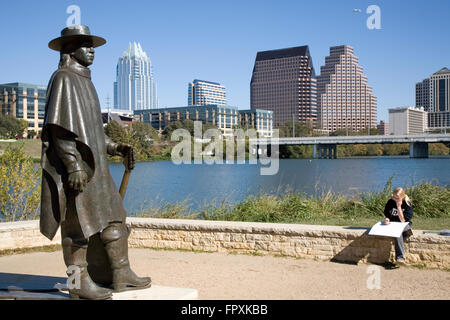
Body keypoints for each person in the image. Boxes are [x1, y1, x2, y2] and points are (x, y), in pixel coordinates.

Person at [40, 25, 151, 299]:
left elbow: (93, 133)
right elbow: (59, 130)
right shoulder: (63, 78)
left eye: (92, 46)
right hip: (78, 171)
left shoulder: (86, 82)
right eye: (85, 45)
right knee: (76, 228)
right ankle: (78, 285)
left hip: (98, 171)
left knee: (115, 220)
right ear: (70, 49)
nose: (91, 51)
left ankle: (121, 273)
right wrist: (72, 164)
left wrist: (116, 147)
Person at [383, 187, 414, 265]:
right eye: (394, 197)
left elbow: (403, 220)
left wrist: (399, 207)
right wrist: (387, 219)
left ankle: (400, 258)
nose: (396, 199)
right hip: (393, 224)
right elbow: (387, 214)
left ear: (402, 196)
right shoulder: (390, 202)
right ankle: (406, 234)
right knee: (397, 232)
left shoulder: (407, 204)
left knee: (398, 233)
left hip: (405, 224)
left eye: (398, 198)